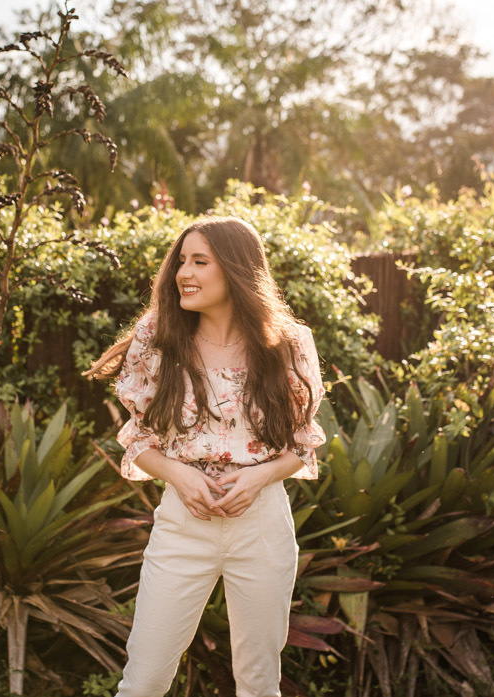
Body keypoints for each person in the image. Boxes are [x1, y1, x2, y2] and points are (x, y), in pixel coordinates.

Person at [83, 215, 326, 697]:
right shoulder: (159, 337)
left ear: (236, 270)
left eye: (200, 261)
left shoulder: (290, 343)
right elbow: (136, 440)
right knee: (144, 680)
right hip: (183, 526)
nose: (183, 273)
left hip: (260, 526)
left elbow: (302, 445)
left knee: (259, 683)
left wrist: (258, 479)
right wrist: (179, 475)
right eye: (181, 261)